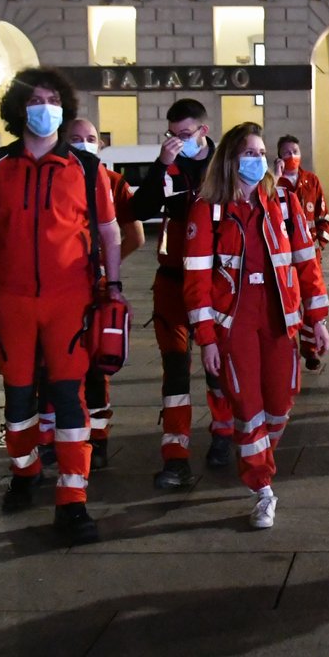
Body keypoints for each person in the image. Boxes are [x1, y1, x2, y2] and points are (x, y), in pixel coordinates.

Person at [0, 66, 125, 545]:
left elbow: (110, 232)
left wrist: (113, 285)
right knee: (18, 397)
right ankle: (25, 470)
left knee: (71, 396)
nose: (44, 107)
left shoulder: (87, 169)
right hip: (10, 301)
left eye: (53, 99)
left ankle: (73, 499)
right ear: (18, 108)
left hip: (71, 300)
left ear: (63, 108)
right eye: (36, 99)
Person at [184, 123, 329, 529]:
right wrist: (207, 338)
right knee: (248, 410)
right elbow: (195, 281)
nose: (258, 159)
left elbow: (306, 261)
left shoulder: (282, 200)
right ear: (231, 159)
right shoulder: (209, 208)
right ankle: (262, 486)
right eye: (249, 152)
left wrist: (317, 319)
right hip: (234, 324)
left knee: (280, 404)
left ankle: (256, 455)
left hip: (280, 319)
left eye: (261, 152)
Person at [32, 118, 143, 471]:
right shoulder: (48, 176)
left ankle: (97, 438)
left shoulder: (111, 182)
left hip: (92, 289)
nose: (84, 144)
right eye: (76, 138)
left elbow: (133, 235)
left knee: (96, 365)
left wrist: (107, 272)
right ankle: (51, 438)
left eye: (91, 139)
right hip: (56, 289)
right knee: (48, 366)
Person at [127, 98, 222, 490]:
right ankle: (176, 454)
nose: (178, 141)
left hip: (215, 281)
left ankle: (223, 433)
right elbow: (140, 208)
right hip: (171, 282)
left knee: (219, 367)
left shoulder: (223, 167)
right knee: (176, 370)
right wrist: (162, 165)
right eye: (172, 135)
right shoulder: (168, 167)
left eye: (185, 134)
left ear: (203, 130)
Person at [275, 133, 329, 371]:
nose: (292, 156)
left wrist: (320, 242)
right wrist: (274, 178)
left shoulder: (311, 180)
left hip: (310, 254)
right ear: (279, 156)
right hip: (282, 256)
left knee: (312, 298)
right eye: (287, 152)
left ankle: (311, 350)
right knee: (288, 301)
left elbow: (323, 215)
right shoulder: (273, 183)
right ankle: (287, 348)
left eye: (295, 151)